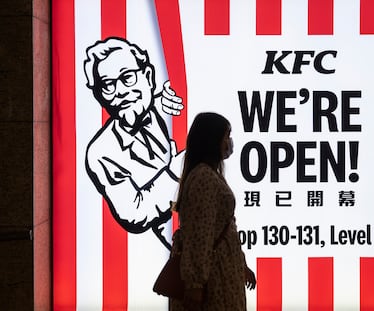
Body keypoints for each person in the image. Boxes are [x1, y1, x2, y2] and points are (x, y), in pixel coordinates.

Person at [83, 37, 184, 248]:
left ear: (148, 77)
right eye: (108, 85)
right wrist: (179, 166)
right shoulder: (101, 152)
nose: (119, 91)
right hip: (158, 253)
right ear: (99, 95)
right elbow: (135, 212)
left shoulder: (165, 104)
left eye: (127, 77)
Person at [170, 112, 256, 311]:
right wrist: (196, 284)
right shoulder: (204, 179)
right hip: (214, 280)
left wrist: (241, 265)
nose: (229, 142)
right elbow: (201, 234)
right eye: (226, 135)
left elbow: (223, 228)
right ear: (213, 140)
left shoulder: (208, 175)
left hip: (222, 273)